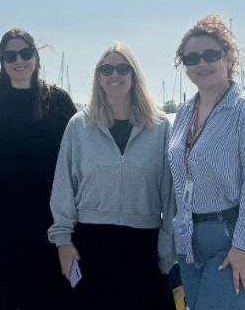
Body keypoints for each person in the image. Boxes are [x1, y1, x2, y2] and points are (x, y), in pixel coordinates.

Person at [168, 15, 245, 310]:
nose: (201, 63)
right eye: (191, 58)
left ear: (229, 58)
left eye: (210, 54)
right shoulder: (184, 114)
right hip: (192, 243)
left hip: (239, 237)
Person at [49, 42, 176, 310]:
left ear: (134, 75)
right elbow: (63, 188)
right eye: (106, 69)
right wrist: (62, 241)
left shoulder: (161, 127)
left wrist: (166, 253)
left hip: (143, 246)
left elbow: (170, 197)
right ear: (98, 77)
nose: (114, 76)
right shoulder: (79, 125)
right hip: (89, 244)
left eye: (122, 68)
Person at [0, 28, 77, 310]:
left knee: (49, 298)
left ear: (36, 57)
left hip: (48, 222)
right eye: (10, 55)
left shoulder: (58, 101)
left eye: (26, 53)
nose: (19, 60)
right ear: (2, 61)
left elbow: (80, 159)